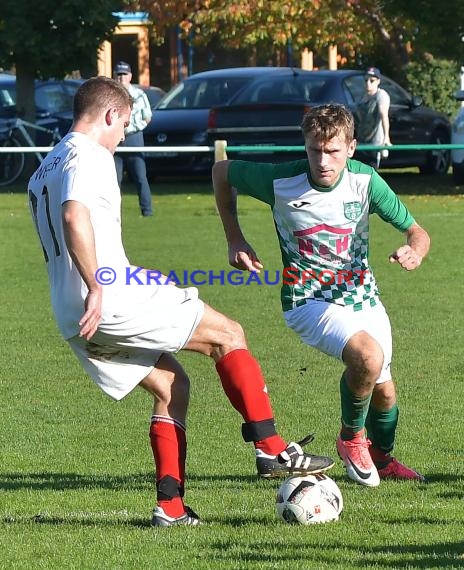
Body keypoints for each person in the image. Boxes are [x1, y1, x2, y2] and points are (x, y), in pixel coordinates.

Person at [27, 77, 334, 528]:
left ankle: (170, 508)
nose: (123, 135)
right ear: (110, 115)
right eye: (126, 124)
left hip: (71, 313)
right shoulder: (88, 155)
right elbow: (74, 215)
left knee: (172, 388)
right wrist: (96, 282)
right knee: (228, 335)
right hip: (110, 295)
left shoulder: (44, 165)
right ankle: (272, 448)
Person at [212, 103, 430, 488]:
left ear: (351, 148)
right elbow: (221, 171)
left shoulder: (366, 181)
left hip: (362, 297)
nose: (323, 161)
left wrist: (414, 250)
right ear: (306, 146)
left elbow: (417, 232)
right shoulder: (281, 181)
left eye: (332, 151)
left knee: (384, 390)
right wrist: (235, 238)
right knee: (368, 357)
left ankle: (381, 459)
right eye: (315, 150)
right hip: (307, 301)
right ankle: (350, 439)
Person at [113, 61, 153, 216]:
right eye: (118, 74)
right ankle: (113, 213)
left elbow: (147, 117)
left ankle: (147, 211)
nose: (121, 77)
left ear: (130, 76)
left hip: (134, 138)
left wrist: (135, 127)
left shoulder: (139, 94)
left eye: (124, 74)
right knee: (114, 180)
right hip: (115, 139)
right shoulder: (111, 96)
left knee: (140, 177)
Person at [355, 66, 391, 169]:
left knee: (371, 174)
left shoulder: (381, 95)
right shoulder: (362, 97)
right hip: (360, 143)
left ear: (378, 81)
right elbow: (358, 121)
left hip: (374, 144)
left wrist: (386, 138)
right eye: (366, 80)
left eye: (372, 81)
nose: (368, 84)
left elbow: (383, 115)